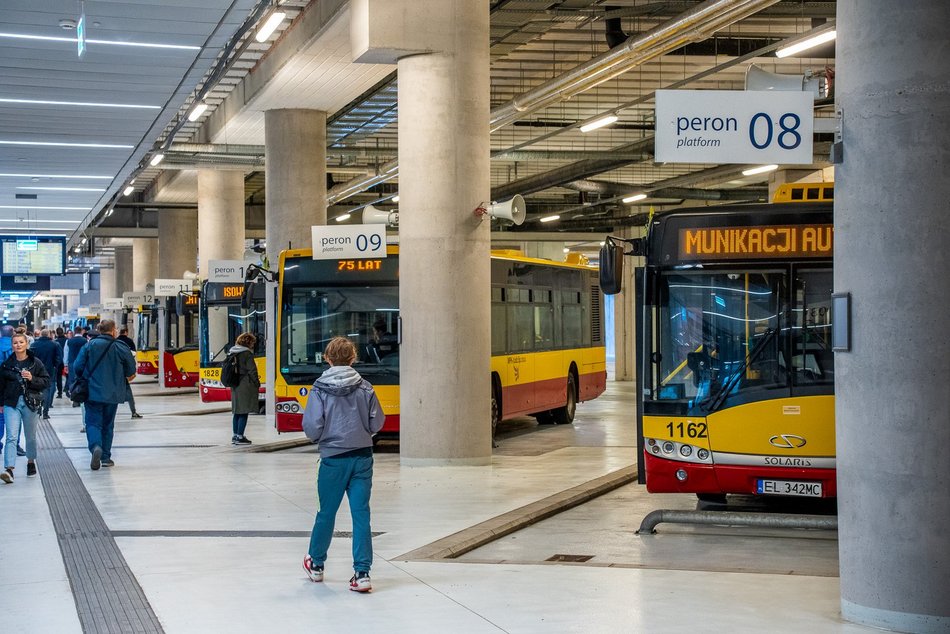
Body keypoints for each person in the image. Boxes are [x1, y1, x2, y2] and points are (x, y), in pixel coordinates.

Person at [301, 336, 385, 592]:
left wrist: (325, 437)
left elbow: (312, 426)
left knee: (326, 513)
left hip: (332, 459)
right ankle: (362, 573)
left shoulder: (319, 389)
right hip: (362, 458)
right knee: (361, 514)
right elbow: (377, 422)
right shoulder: (366, 387)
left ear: (327, 358)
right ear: (353, 358)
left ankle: (316, 565)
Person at [71, 320, 136, 470]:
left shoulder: (89, 346)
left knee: (92, 423)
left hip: (92, 392)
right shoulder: (121, 346)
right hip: (113, 393)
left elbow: (77, 367)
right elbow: (131, 369)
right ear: (113, 330)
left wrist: (85, 376)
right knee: (108, 424)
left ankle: (96, 447)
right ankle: (106, 457)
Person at [0, 333, 51, 483]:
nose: (18, 345)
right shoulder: (6, 364)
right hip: (11, 403)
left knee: (30, 436)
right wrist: (1, 403)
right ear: (12, 345)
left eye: (21, 342)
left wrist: (32, 378)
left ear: (26, 343)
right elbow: (1, 386)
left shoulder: (35, 363)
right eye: (15, 343)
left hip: (31, 402)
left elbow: (46, 381)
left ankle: (30, 462)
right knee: (11, 436)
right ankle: (9, 469)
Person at [228, 332, 260, 445]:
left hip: (235, 385)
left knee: (237, 411)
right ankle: (240, 436)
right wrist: (257, 383)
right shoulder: (246, 354)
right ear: (248, 342)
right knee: (244, 411)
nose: (253, 345)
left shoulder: (232, 352)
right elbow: (252, 371)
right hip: (245, 385)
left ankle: (235, 435)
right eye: (252, 343)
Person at [30, 329, 62, 421]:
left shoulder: (34, 345)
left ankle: (38, 409)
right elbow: (59, 358)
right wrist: (55, 366)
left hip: (36, 370)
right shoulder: (55, 344)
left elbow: (30, 358)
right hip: (50, 370)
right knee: (47, 390)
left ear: (40, 334)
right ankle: (45, 412)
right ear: (48, 335)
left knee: (37, 389)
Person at [116, 328, 142, 419]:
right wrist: (131, 372)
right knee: (129, 395)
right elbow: (132, 357)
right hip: (122, 375)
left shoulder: (115, 343)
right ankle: (133, 412)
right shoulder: (127, 342)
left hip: (112, 376)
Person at [54, 327, 67, 398]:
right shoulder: (67, 340)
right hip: (66, 361)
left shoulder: (55, 341)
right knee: (67, 376)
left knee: (58, 377)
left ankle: (60, 392)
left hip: (59, 361)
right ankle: (67, 389)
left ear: (56, 333)